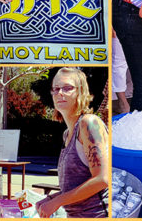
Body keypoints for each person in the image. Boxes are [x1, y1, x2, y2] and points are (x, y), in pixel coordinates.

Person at [36, 68, 108, 217]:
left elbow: (102, 179)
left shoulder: (89, 124)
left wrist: (57, 202)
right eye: (55, 89)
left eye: (67, 88)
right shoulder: (67, 133)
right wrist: (51, 198)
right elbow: (76, 185)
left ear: (80, 92)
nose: (59, 93)